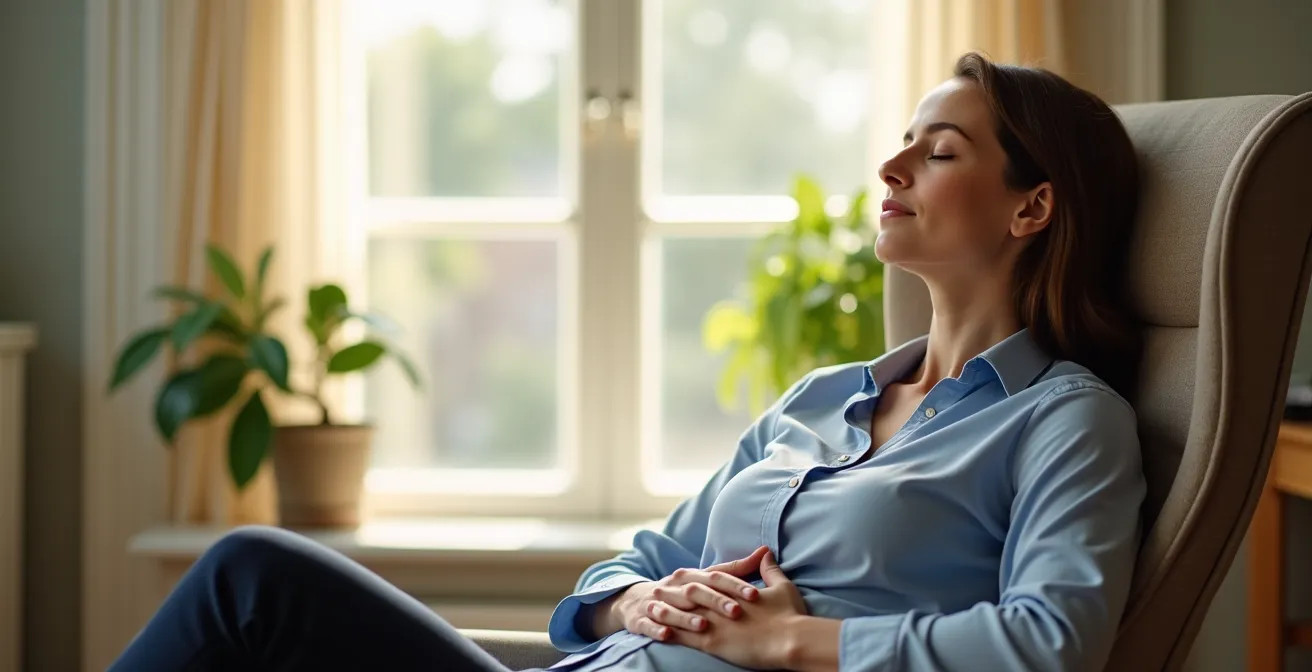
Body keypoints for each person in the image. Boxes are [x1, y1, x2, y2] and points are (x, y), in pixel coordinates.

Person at [109, 51, 1146, 672]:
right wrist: (633, 606)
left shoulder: (1062, 421)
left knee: (252, 583)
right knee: (249, 579)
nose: (891, 164)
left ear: (1032, 206)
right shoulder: (822, 400)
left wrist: (791, 643)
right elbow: (628, 565)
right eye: (903, 140)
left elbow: (1050, 643)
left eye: (940, 150)